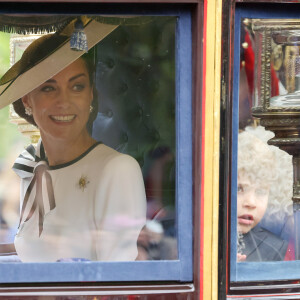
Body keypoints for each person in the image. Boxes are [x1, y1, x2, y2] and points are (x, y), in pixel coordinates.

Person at [0, 21, 146, 262]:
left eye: (77, 86)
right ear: (27, 99)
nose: (64, 102)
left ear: (90, 94)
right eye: (49, 88)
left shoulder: (118, 170)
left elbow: (117, 283)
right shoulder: (31, 164)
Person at [237, 128, 289, 262]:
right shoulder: (198, 240)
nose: (250, 202)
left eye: (260, 192)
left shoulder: (274, 248)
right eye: (239, 188)